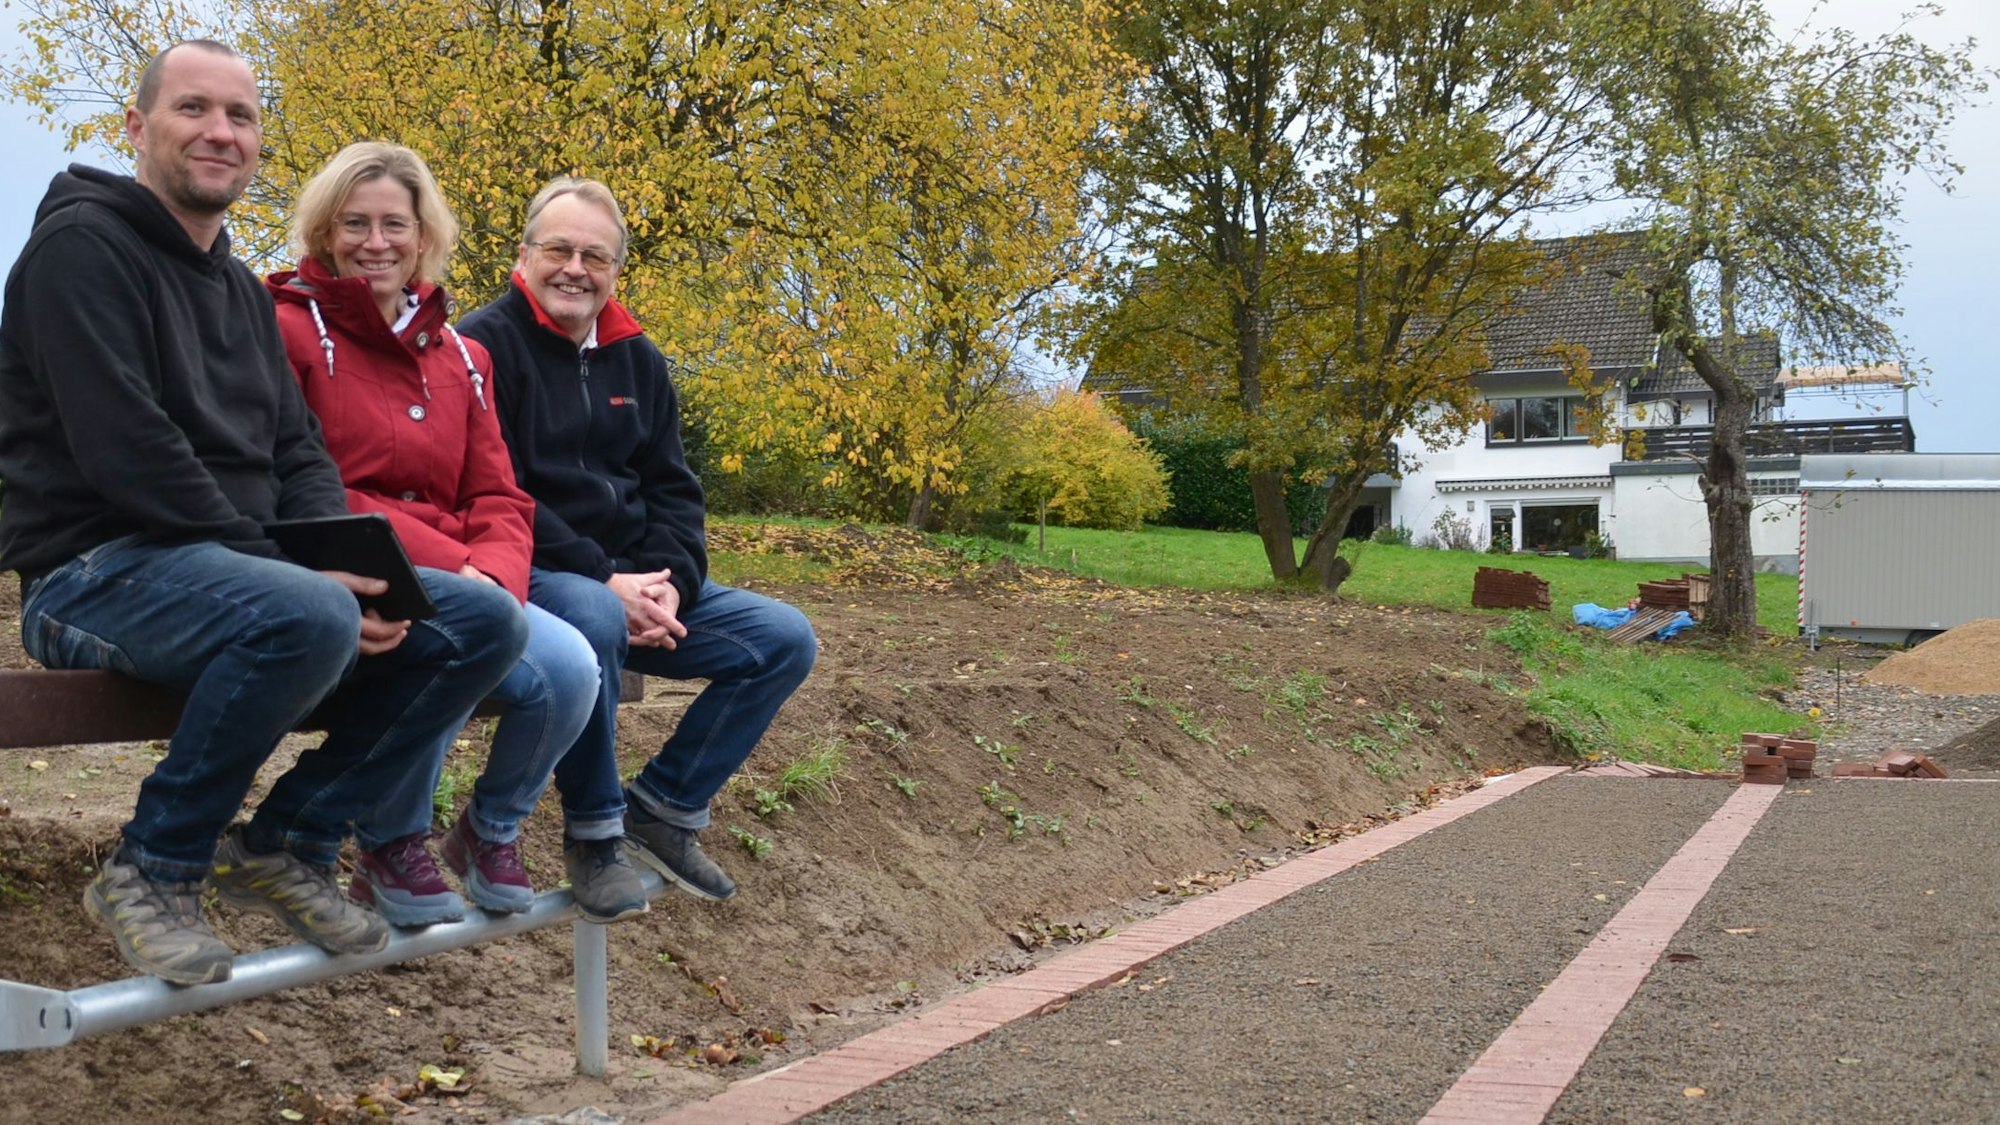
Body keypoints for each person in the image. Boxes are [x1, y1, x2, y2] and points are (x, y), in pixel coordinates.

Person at [0, 41, 527, 985]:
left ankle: (288, 838)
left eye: (240, 116)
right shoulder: (79, 253)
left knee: (478, 618)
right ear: (136, 127)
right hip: (94, 570)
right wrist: (296, 575)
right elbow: (130, 452)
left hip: (231, 573)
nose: (220, 132)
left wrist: (339, 555)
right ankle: (152, 869)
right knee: (312, 610)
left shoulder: (240, 289)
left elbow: (297, 452)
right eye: (193, 109)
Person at [266, 142, 644, 925]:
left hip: (471, 573)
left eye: (394, 225)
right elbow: (320, 482)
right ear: (324, 230)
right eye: (355, 224)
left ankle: (491, 827)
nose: (376, 243)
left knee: (572, 663)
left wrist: (496, 577)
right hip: (366, 568)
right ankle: (391, 838)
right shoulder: (289, 332)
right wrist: (458, 569)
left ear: (423, 234)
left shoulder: (461, 356)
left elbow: (500, 492)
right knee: (456, 639)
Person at [459, 177, 817, 902]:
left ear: (616, 271)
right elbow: (497, 487)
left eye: (596, 256)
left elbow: (674, 490)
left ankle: (664, 805)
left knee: (783, 638)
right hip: (539, 568)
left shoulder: (638, 358)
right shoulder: (481, 345)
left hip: (641, 582)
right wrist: (604, 580)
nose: (575, 268)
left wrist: (671, 585)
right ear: (523, 255)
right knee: (592, 619)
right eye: (558, 248)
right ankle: (594, 833)